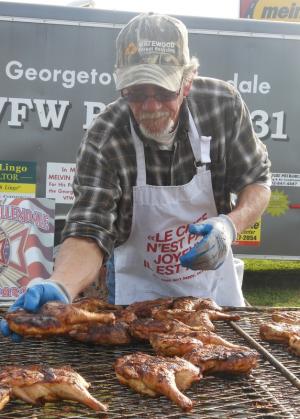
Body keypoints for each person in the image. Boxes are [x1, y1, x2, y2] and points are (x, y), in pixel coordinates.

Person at [1, 12, 271, 341]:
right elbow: (90, 229)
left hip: (210, 297)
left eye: (164, 91)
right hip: (135, 304)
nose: (151, 105)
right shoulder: (106, 136)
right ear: (121, 83)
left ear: (188, 81)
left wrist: (231, 225)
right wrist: (62, 285)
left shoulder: (222, 106)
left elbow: (256, 182)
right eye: (136, 93)